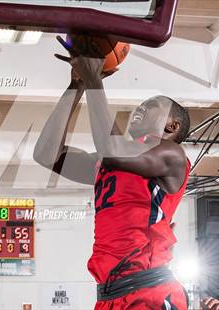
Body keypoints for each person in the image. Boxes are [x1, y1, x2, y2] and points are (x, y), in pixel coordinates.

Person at [33, 35, 191, 309]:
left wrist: (95, 79)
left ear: (171, 127)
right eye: (142, 103)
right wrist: (77, 85)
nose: (141, 107)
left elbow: (112, 150)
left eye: (153, 105)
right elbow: (47, 154)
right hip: (110, 294)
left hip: (149, 290)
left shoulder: (171, 155)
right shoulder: (109, 162)